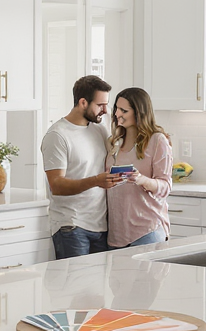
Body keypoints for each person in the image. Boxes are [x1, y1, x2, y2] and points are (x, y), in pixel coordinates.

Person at [41, 75, 120, 259]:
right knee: (76, 286)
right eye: (100, 105)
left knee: (96, 287)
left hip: (101, 226)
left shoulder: (99, 130)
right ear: (83, 102)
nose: (105, 111)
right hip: (71, 226)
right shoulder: (57, 136)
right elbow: (57, 185)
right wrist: (96, 181)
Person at [105, 87, 172, 248]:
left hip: (147, 231)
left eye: (124, 110)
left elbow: (165, 186)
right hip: (116, 234)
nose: (117, 114)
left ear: (139, 112)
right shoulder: (114, 142)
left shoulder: (157, 141)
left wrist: (141, 180)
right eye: (116, 109)